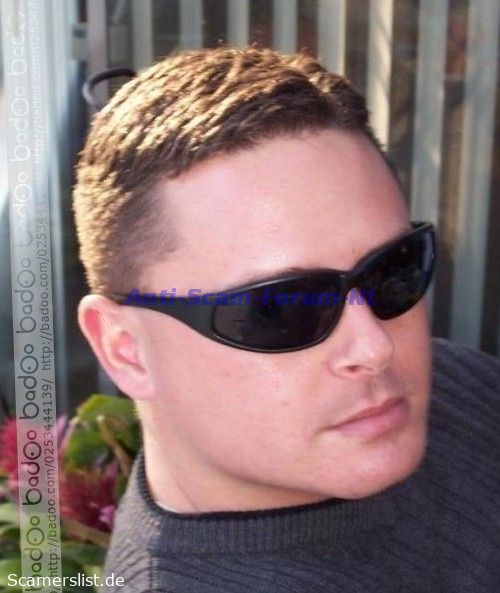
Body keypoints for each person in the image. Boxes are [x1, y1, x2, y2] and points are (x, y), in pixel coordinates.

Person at [72, 46, 500, 592]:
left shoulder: (458, 387)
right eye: (276, 308)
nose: (374, 347)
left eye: (393, 269)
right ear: (125, 350)